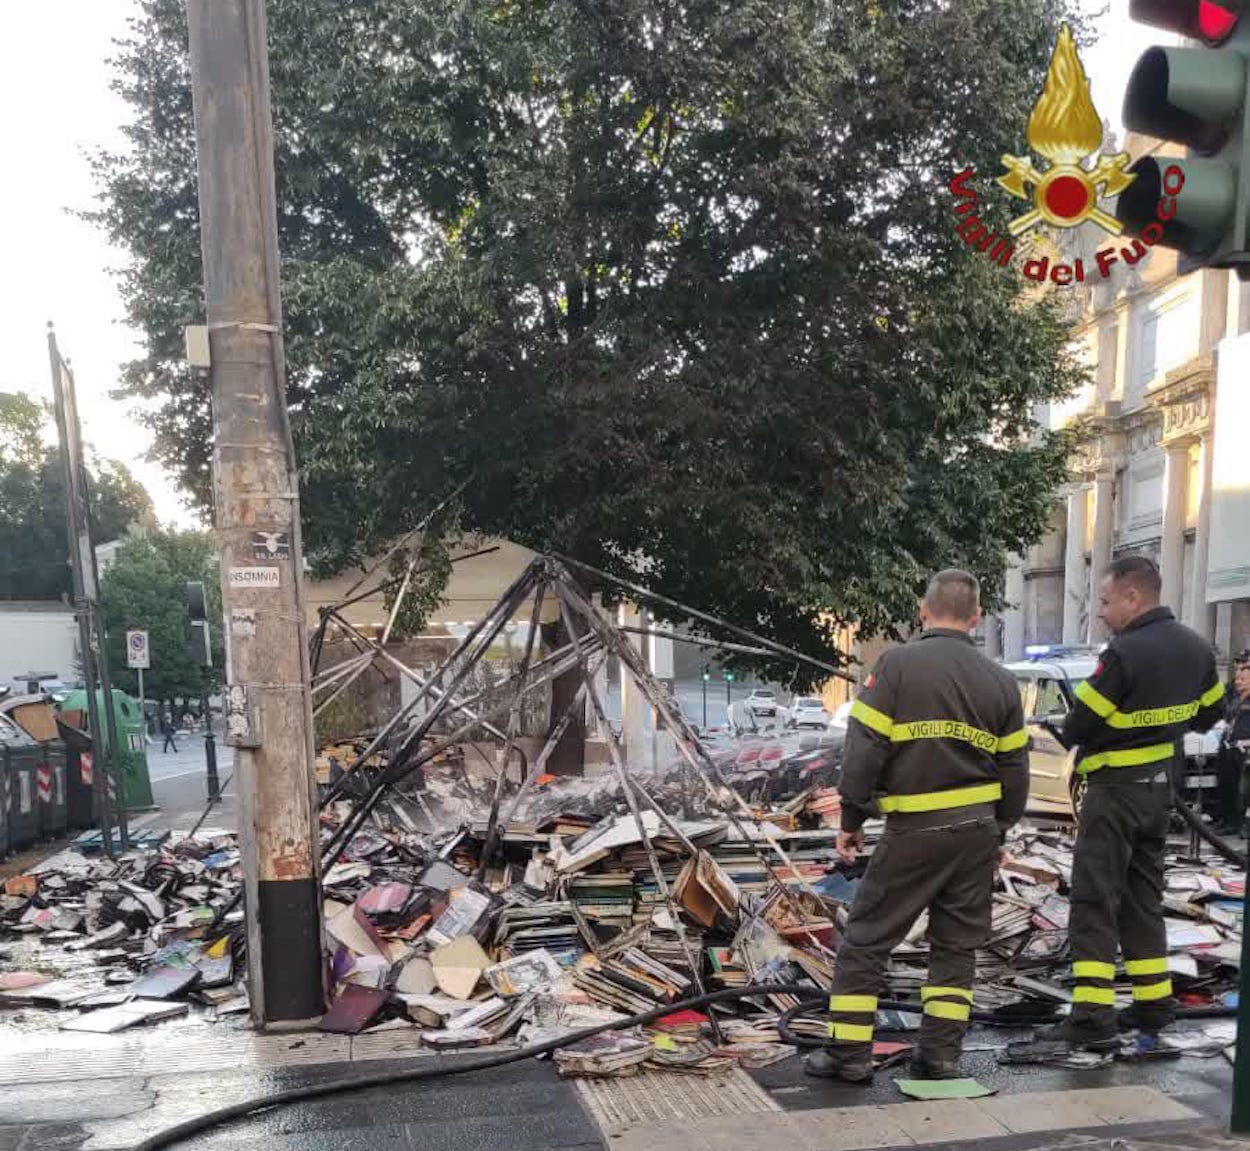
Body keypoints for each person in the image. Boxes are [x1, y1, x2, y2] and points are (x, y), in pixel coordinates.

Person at [804, 569, 1028, 1083]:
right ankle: (941, 1056)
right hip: (976, 832)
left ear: (922, 610)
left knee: (866, 939)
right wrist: (1002, 830)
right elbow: (1015, 771)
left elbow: (864, 749)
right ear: (976, 617)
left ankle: (849, 1054)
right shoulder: (1000, 681)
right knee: (955, 948)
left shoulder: (896, 667)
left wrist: (853, 817)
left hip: (916, 830)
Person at [1033, 556, 1223, 1050]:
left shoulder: (1123, 654)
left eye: (1105, 600)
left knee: (1095, 901)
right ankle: (1153, 1003)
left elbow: (1078, 726)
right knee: (1143, 899)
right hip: (1159, 793)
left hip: (1113, 792)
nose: (1100, 611)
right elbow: (1210, 715)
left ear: (1133, 597)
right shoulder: (1197, 648)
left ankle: (1092, 1016)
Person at [1215, 652, 1250, 836]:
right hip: (1229, 748)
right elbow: (1226, 716)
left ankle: (1240, 824)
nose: (1238, 682)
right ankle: (1228, 821)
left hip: (1245, 751)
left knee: (1243, 791)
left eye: (1242, 679)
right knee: (1227, 786)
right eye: (1237, 678)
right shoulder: (1235, 699)